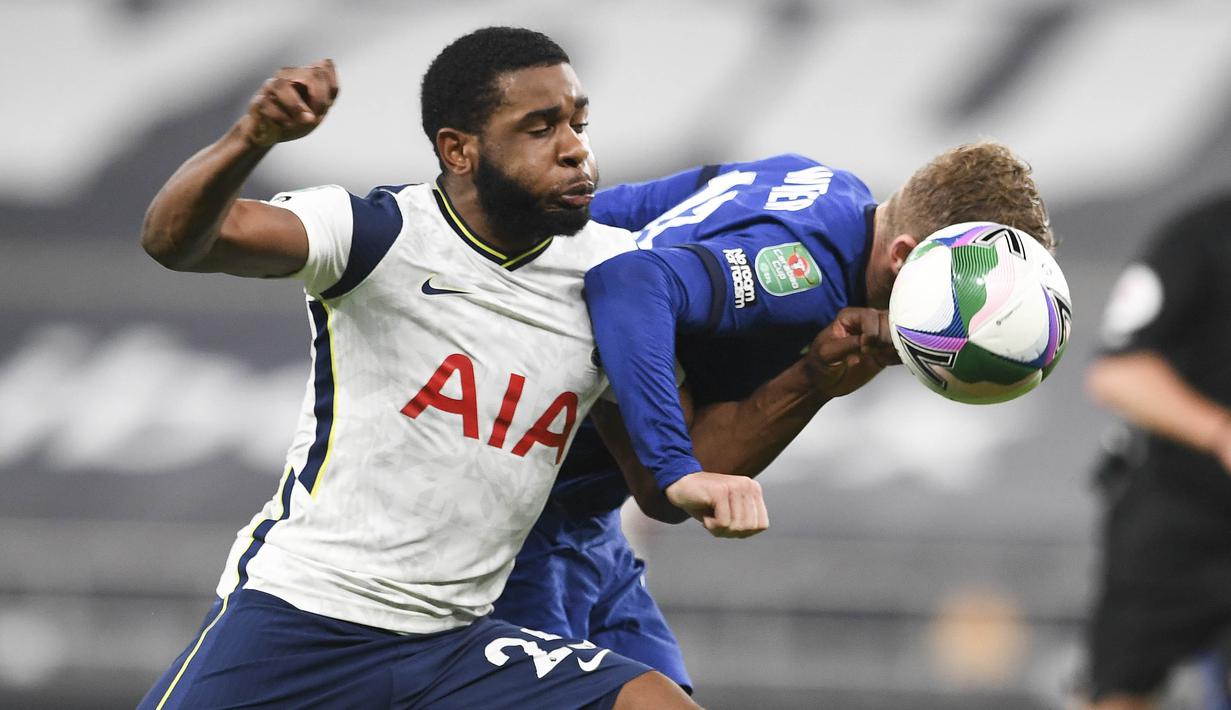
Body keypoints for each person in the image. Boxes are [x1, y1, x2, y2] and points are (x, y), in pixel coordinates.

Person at [135, 26, 777, 709]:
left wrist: (811, 383)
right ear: (459, 149)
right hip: (300, 620)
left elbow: (656, 482)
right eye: (540, 128)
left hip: (451, 649)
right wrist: (253, 137)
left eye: (578, 123)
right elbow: (173, 239)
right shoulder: (375, 235)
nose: (574, 149)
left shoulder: (615, 275)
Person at [495, 143, 1056, 691]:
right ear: (904, 258)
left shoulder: (815, 180)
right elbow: (627, 279)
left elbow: (611, 219)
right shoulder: (803, 273)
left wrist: (812, 382)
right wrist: (673, 466)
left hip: (578, 523)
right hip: (513, 516)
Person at [1083, 194, 1231, 709]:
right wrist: (1219, 431)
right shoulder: (1203, 236)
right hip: (1179, 512)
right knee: (1119, 691)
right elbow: (1117, 372)